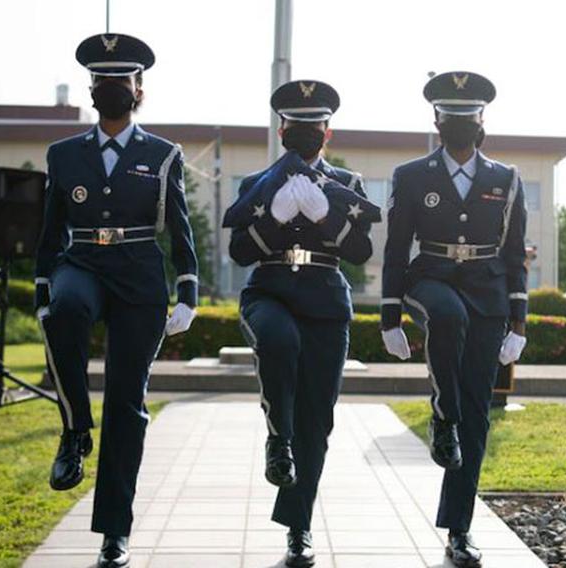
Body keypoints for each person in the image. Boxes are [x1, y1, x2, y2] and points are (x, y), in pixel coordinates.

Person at [33, 33, 199, 568]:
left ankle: (114, 533)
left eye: (122, 81)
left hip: (139, 277)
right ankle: (75, 428)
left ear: (139, 90)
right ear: (92, 89)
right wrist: (42, 286)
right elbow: (50, 231)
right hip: (81, 263)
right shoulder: (63, 155)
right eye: (104, 82)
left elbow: (180, 230)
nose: (113, 89)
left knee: (127, 404)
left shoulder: (163, 155)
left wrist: (188, 291)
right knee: (66, 310)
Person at [222, 80, 380, 568]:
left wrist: (325, 215)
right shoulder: (258, 184)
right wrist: (275, 217)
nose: (305, 132)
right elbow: (240, 251)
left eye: (314, 126)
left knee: (318, 420)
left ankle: (298, 529)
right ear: (282, 128)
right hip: (269, 292)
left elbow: (360, 252)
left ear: (326, 132)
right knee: (277, 338)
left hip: (326, 300)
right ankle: (277, 436)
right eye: (296, 124)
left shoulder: (347, 187)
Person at [379, 71, 528, 567]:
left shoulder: (505, 179)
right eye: (451, 117)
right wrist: (389, 315)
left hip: (488, 295)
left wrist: (519, 322)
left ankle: (458, 530)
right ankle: (442, 413)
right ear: (437, 121)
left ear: (481, 121)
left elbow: (513, 256)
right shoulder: (411, 175)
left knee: (477, 416)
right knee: (446, 315)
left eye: (468, 117)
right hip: (431, 279)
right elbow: (397, 247)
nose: (460, 124)